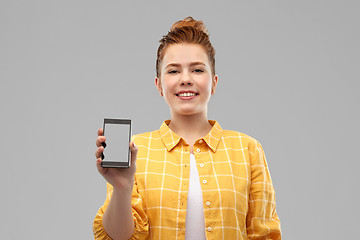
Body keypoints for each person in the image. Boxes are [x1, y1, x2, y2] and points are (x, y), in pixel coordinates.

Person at [93, 17, 281, 240]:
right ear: (159, 85)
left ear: (214, 82)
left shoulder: (248, 150)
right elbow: (118, 238)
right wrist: (122, 188)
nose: (185, 79)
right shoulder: (135, 150)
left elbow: (265, 235)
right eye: (173, 71)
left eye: (197, 70)